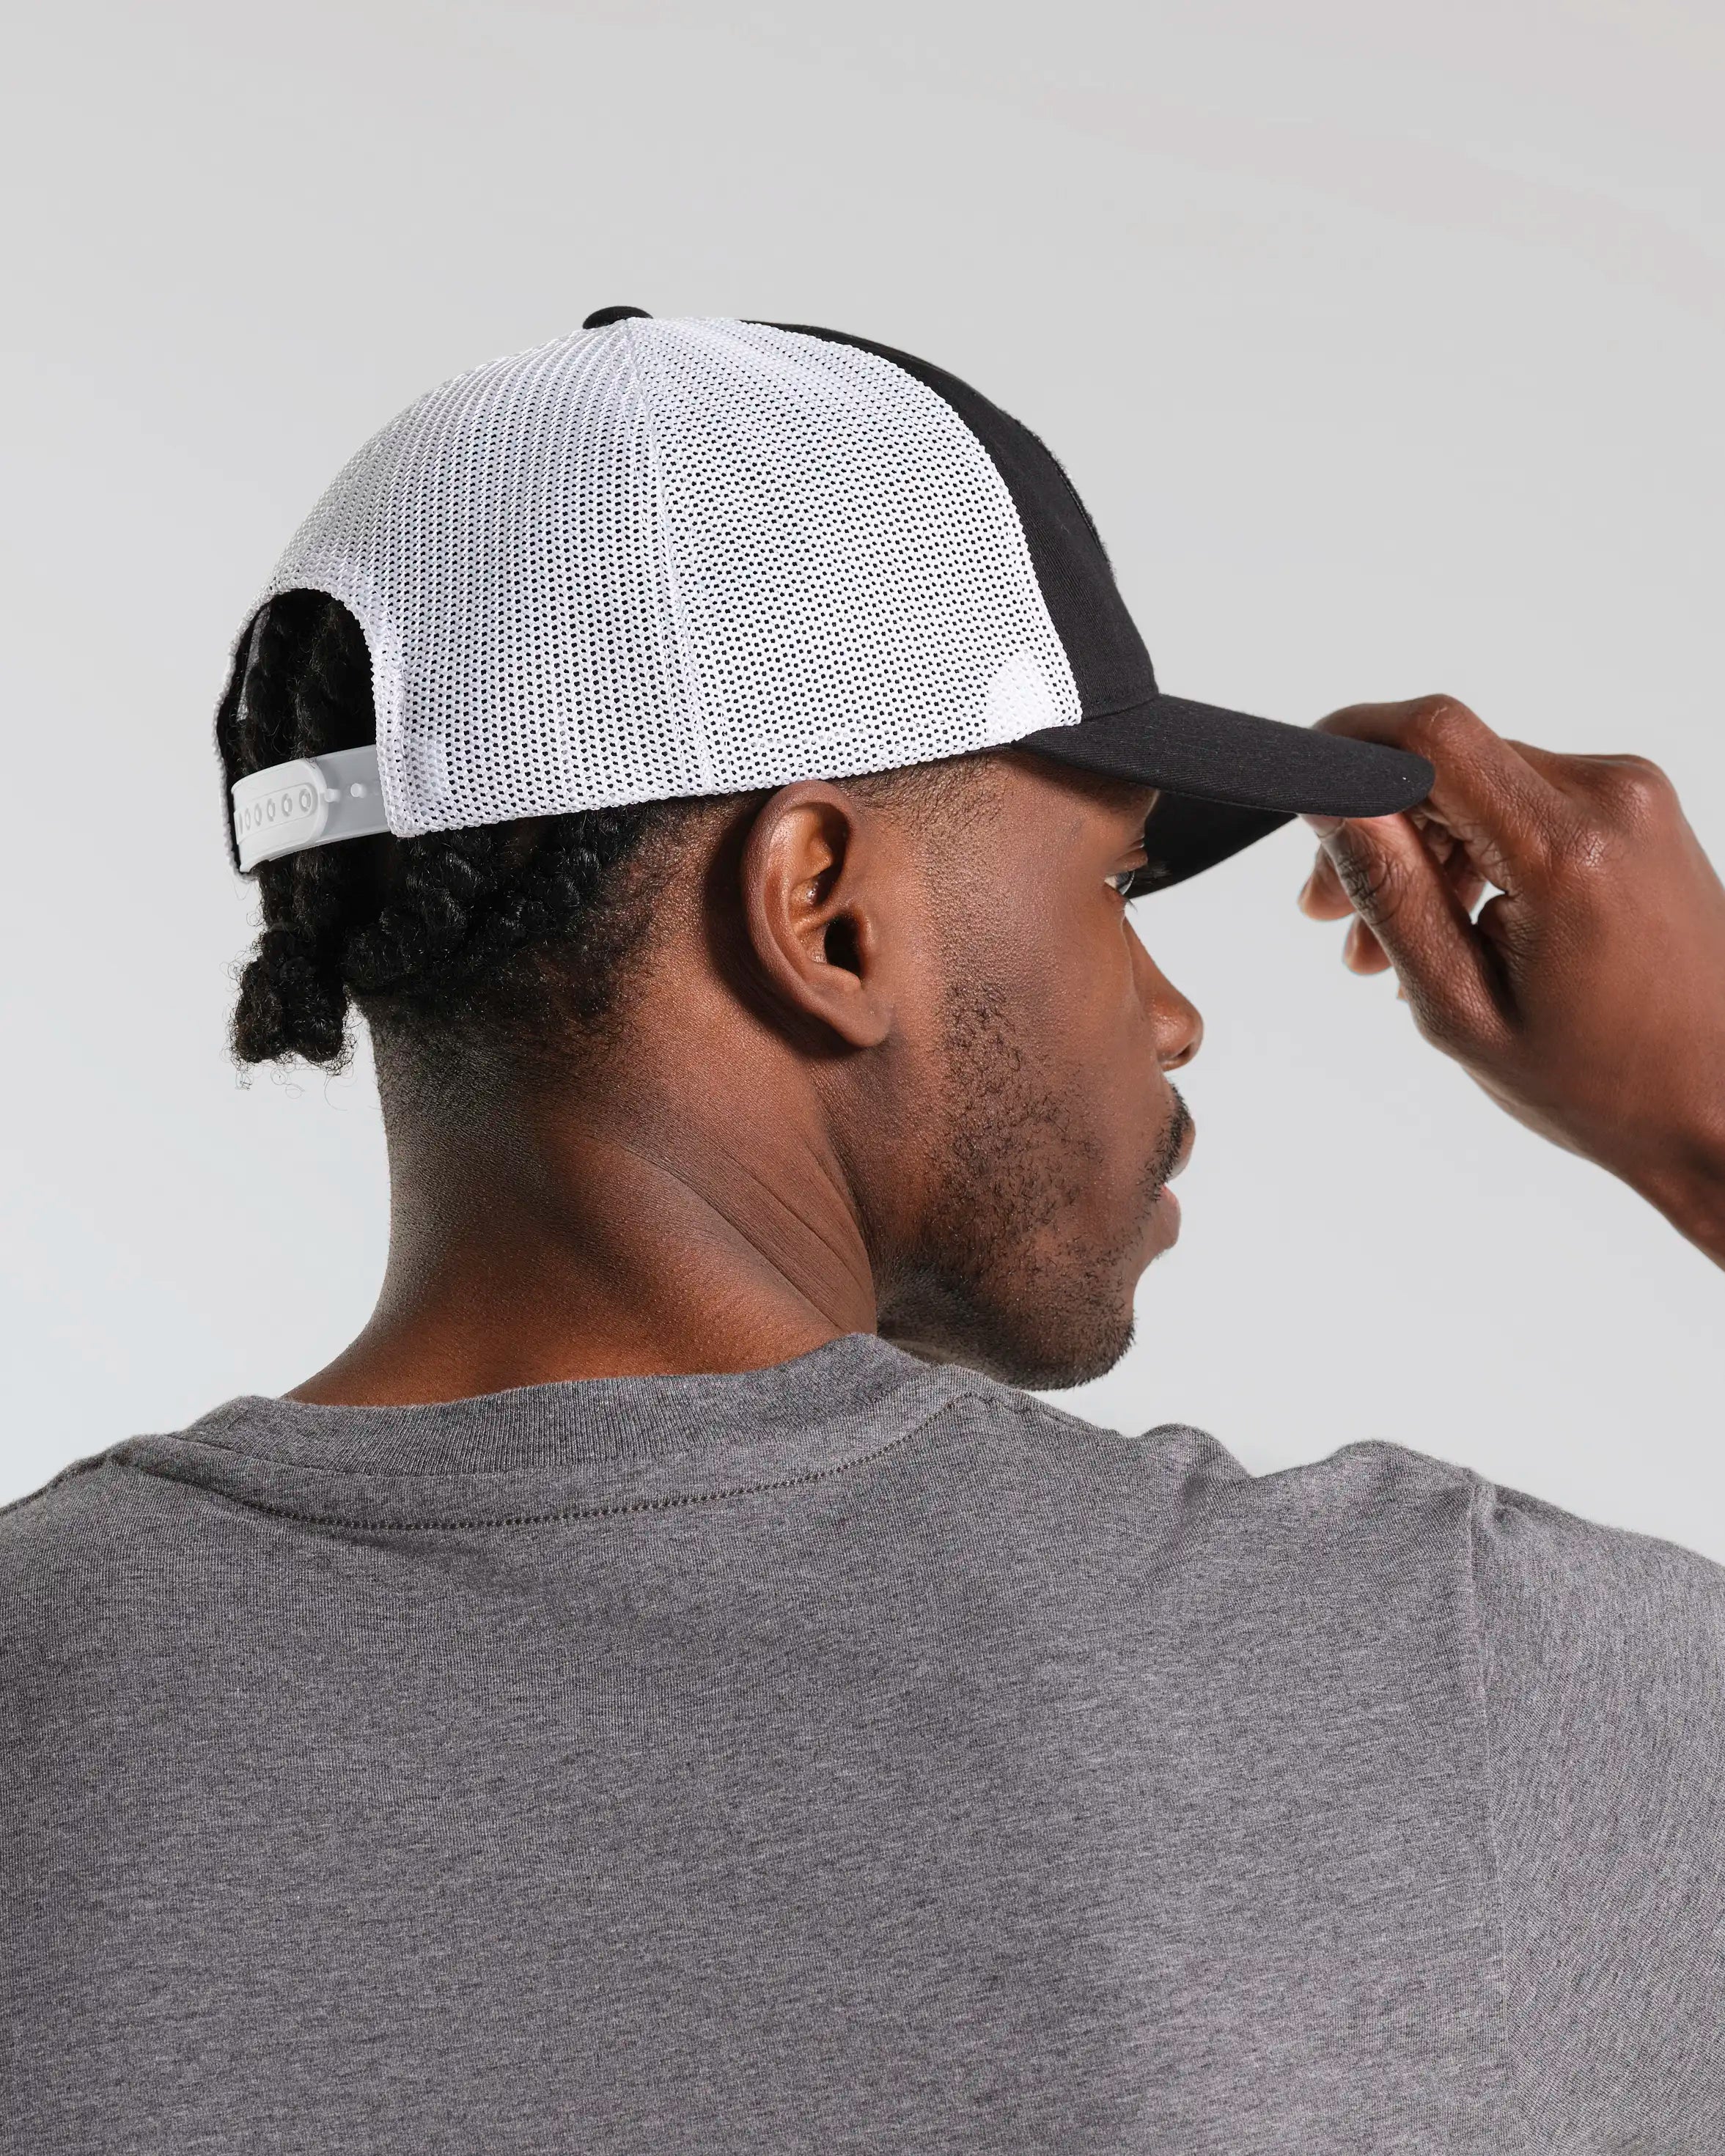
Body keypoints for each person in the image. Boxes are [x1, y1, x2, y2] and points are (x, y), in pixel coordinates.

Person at [5, 312, 1721, 2154]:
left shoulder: (39, 1678)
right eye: (1114, 877)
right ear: (823, 911)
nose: (1170, 1012)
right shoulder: (1426, 1693)